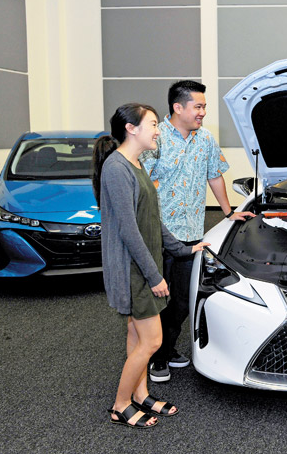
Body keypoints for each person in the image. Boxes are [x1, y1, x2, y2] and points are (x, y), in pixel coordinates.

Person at [93, 103, 208, 428]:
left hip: (143, 266)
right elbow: (129, 231)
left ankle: (141, 394)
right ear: (131, 129)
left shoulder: (136, 164)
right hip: (134, 271)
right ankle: (120, 404)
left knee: (136, 335)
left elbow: (152, 221)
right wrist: (155, 275)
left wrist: (183, 248)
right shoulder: (117, 168)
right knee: (153, 342)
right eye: (153, 124)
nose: (159, 130)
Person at [140, 80, 254, 382]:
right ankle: (157, 357)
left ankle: (167, 347)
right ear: (178, 107)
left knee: (182, 300)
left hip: (192, 235)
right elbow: (142, 184)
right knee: (158, 300)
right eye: (198, 106)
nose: (203, 112)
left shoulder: (205, 139)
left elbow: (214, 175)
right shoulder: (155, 138)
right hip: (159, 235)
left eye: (204, 107)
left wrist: (229, 211)